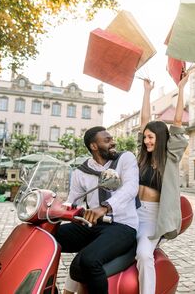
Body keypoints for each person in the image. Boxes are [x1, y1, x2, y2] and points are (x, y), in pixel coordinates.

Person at [55, 126, 139, 294]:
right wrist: (52, 209)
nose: (113, 142)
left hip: (122, 226)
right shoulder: (81, 172)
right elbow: (73, 201)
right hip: (92, 225)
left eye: (112, 139)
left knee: (89, 260)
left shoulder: (125, 159)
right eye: (107, 140)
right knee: (48, 237)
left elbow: (131, 187)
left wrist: (106, 207)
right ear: (94, 146)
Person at [136, 73, 189, 294]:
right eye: (145, 137)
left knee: (145, 255)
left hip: (152, 218)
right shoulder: (143, 156)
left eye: (151, 137)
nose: (147, 140)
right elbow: (144, 120)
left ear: (161, 138)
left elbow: (177, 123)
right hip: (132, 213)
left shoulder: (171, 157)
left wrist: (181, 87)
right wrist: (147, 92)